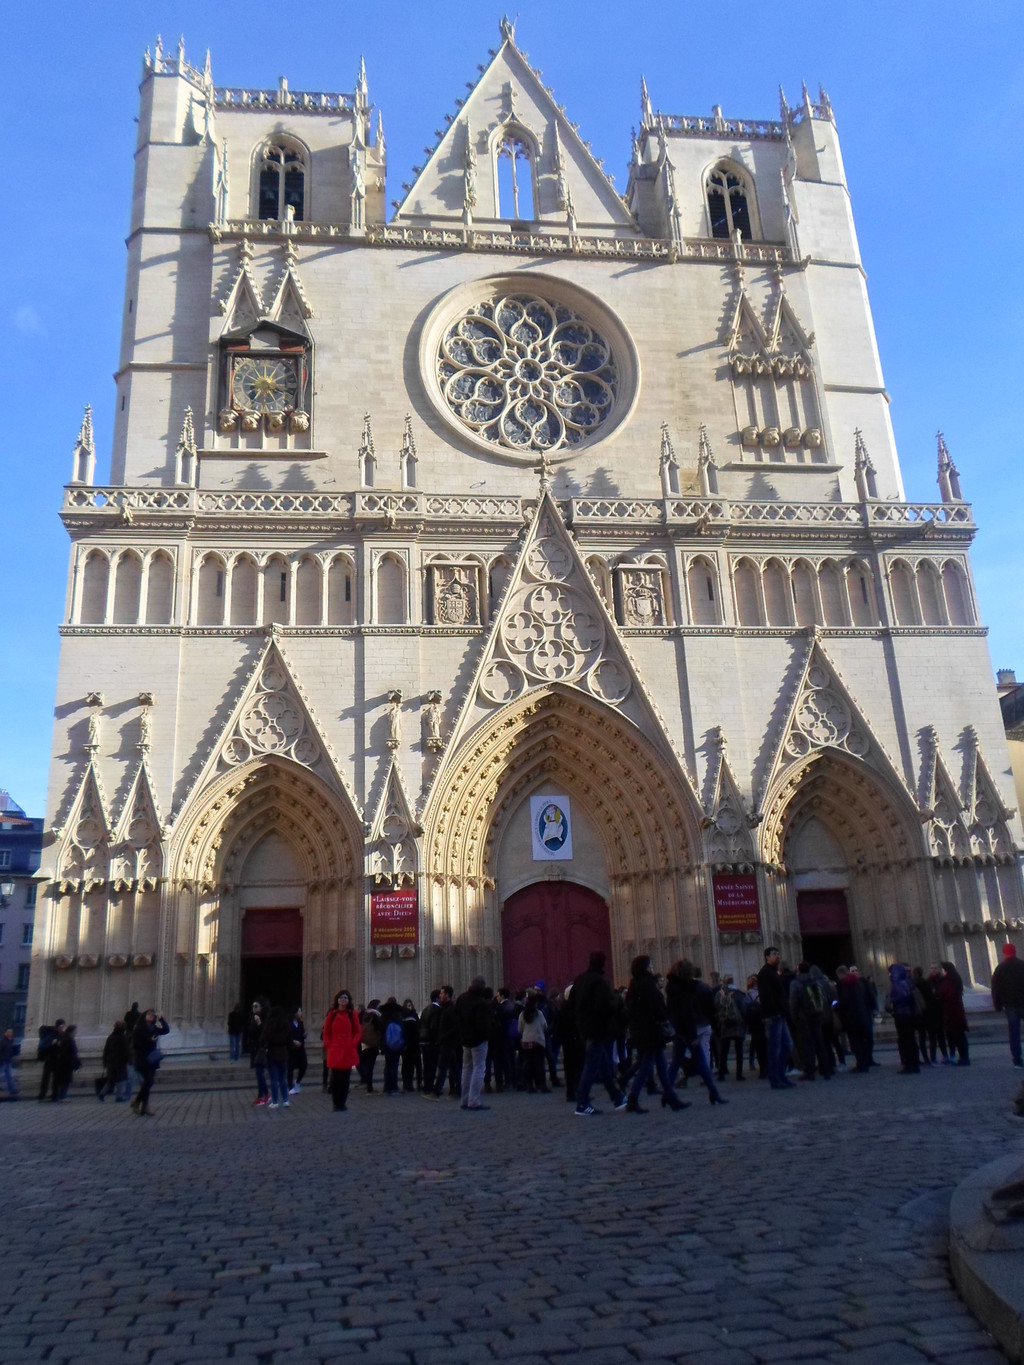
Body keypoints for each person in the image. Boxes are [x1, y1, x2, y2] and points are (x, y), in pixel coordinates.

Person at [624, 956, 688, 1113]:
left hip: (642, 1031)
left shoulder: (633, 984)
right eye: (650, 965)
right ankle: (633, 1098)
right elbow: (657, 1006)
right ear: (645, 967)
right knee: (647, 1064)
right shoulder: (648, 984)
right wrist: (664, 1018)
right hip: (651, 1031)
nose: (652, 968)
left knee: (660, 1064)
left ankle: (671, 1097)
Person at [572, 951, 628, 1116]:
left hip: (584, 1027)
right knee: (591, 1066)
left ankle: (617, 1097)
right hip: (597, 1029)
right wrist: (617, 1003)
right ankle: (582, 1103)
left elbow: (572, 1001)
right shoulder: (599, 982)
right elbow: (604, 1006)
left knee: (603, 1064)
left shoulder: (580, 979)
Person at [757, 947, 794, 1090]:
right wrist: (775, 1011)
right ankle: (775, 1078)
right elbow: (766, 996)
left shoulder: (774, 972)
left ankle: (781, 1075)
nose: (777, 956)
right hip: (773, 1016)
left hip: (780, 1015)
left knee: (786, 1045)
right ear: (767, 957)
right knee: (775, 1048)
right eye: (774, 954)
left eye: (778, 954)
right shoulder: (764, 973)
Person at [789, 962, 833, 1081]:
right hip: (816, 1015)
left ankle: (810, 1071)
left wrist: (794, 1017)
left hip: (803, 1018)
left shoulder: (795, 983)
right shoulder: (815, 981)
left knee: (807, 1045)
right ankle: (826, 1070)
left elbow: (793, 1001)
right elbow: (824, 998)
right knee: (819, 1043)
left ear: (798, 970)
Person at [455, 975, 492, 1111]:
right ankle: (474, 1100)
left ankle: (464, 1099)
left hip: (465, 1039)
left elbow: (456, 1017)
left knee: (466, 1069)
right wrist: (486, 1036)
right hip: (478, 1040)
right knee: (479, 1068)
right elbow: (482, 1024)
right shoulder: (481, 1003)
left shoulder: (461, 998)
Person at [322, 990, 361, 1111]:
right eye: (341, 997)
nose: (343, 999)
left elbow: (358, 1032)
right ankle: (336, 1103)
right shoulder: (332, 1014)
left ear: (348, 1000)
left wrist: (353, 1044)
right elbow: (326, 1032)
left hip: (348, 1050)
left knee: (345, 1079)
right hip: (335, 1050)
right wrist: (330, 1045)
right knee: (335, 1079)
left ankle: (342, 1103)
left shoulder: (352, 1014)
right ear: (337, 1000)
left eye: (345, 997)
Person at [130, 1009, 170, 1116]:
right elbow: (136, 1044)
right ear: (144, 1015)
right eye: (149, 1014)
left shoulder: (154, 1028)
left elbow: (166, 1030)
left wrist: (161, 1019)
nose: (151, 1016)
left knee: (149, 1082)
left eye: (153, 1014)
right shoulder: (139, 1029)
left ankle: (141, 1104)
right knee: (148, 1081)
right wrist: (149, 1041)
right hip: (142, 1059)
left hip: (152, 1059)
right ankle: (142, 1104)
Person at [991, 943, 1024, 1069]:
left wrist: (997, 1005)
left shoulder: (1000, 968)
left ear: (1005, 953)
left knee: (1014, 1033)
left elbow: (995, 988)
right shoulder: (1022, 965)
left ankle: (1017, 1060)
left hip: (1010, 1005)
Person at [885, 963, 920, 1075]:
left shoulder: (898, 985)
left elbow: (898, 998)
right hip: (909, 1014)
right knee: (910, 1039)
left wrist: (891, 1000)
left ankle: (909, 1064)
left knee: (905, 1040)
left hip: (901, 1015)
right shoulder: (908, 982)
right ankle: (914, 1063)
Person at [715, 974, 748, 1082]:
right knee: (739, 1050)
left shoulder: (719, 994)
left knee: (724, 1050)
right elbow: (744, 1009)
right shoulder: (739, 994)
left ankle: (721, 1074)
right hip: (738, 1024)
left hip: (725, 1024)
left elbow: (716, 1007)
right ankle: (739, 1074)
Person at [936, 961, 969, 1065]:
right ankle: (963, 1057)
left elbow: (943, 994)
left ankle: (964, 1058)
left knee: (958, 1036)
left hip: (952, 1012)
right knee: (958, 1035)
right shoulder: (954, 979)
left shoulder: (949, 981)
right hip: (955, 1011)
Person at [431, 986, 461, 1099]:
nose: (440, 995)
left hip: (448, 1042)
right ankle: (459, 1090)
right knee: (453, 1068)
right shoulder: (444, 1008)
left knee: (443, 1067)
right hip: (446, 1042)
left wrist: (444, 1036)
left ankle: (436, 1092)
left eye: (442, 993)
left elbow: (456, 1026)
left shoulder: (451, 1009)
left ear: (447, 995)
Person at [517, 989, 549, 1094]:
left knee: (528, 1064)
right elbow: (545, 1026)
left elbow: (519, 1029)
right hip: (538, 1041)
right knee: (539, 1064)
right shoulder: (538, 1013)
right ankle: (542, 1085)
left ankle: (530, 1085)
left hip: (526, 1041)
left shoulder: (522, 1014)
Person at [262, 1005, 292, 1109]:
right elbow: (289, 1040)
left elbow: (262, 1039)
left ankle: (275, 1101)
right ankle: (286, 1100)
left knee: (274, 1079)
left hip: (272, 1053)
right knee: (283, 1078)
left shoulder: (269, 1025)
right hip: (283, 1053)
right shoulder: (286, 1025)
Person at [96, 1020, 132, 1102]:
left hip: (110, 1061)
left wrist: (105, 1061)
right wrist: (130, 1060)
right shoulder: (123, 1037)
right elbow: (126, 1050)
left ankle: (102, 1093)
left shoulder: (111, 1037)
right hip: (120, 1062)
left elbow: (106, 1050)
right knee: (121, 1080)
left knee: (111, 1080)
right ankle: (119, 1097)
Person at [246, 999, 270, 1107]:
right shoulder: (252, 1018)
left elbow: (265, 1033)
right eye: (253, 1006)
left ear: (261, 1007)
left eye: (256, 1006)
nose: (254, 1008)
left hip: (261, 1049)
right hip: (254, 1049)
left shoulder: (264, 1019)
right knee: (259, 1073)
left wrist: (259, 1023)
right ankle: (264, 1095)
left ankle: (263, 1095)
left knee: (260, 1073)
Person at [37, 1019, 65, 1101]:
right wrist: (53, 1044)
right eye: (61, 1026)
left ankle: (54, 1094)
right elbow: (46, 1046)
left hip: (57, 1059)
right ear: (57, 1026)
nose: (62, 1028)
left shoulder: (60, 1034)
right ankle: (42, 1094)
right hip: (50, 1058)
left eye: (63, 1026)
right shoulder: (52, 1034)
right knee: (46, 1077)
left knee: (56, 1078)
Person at [54, 1024, 81, 1101]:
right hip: (66, 1064)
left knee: (64, 1080)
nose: (76, 1033)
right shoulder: (69, 1040)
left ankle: (62, 1096)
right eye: (75, 1031)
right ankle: (62, 1096)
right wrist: (74, 1061)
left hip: (64, 1063)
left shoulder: (65, 1038)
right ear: (71, 1031)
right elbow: (71, 1052)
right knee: (65, 1081)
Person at [400, 999, 422, 1093]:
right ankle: (407, 1084)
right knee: (408, 1066)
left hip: (414, 1045)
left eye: (410, 1005)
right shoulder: (405, 1017)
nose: (409, 1007)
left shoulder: (414, 1016)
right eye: (408, 1006)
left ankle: (418, 1083)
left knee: (416, 1065)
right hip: (408, 1045)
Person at [288, 1007, 308, 1094]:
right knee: (290, 1068)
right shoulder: (288, 1023)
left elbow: (302, 1034)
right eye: (299, 1011)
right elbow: (287, 1035)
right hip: (292, 1048)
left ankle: (298, 1081)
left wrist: (304, 1035)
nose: (301, 1013)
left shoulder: (301, 1023)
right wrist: (293, 1041)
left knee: (304, 1064)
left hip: (300, 1048)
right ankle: (290, 1087)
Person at [0, 1027, 20, 1099]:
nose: (10, 1033)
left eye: (11, 1032)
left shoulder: (11, 1041)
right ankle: (12, 1090)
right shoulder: (2, 1042)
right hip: (3, 1061)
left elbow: (13, 1051)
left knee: (9, 1077)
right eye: (9, 1032)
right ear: (5, 1033)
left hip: (8, 1061)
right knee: (7, 1076)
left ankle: (12, 1090)